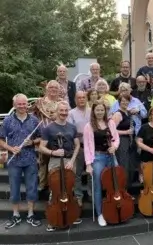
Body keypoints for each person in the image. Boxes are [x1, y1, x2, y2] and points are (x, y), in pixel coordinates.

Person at [39, 101, 82, 232]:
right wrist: (53, 152)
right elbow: (41, 147)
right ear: (56, 111)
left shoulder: (72, 127)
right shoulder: (48, 128)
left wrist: (72, 160)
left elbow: (77, 145)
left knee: (70, 188)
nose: (64, 113)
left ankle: (71, 215)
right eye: (61, 110)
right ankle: (53, 220)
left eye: (65, 110)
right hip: (55, 160)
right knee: (55, 190)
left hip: (70, 160)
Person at [0, 94, 41, 229]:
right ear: (14, 105)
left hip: (30, 159)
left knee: (32, 188)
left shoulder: (34, 120)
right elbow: (1, 140)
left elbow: (40, 138)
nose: (22, 106)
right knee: (14, 188)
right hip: (14, 161)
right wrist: (11, 148)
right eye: (19, 104)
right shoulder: (7, 121)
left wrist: (32, 141)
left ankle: (30, 214)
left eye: (24, 104)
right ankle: (16, 214)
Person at [83, 102, 120, 226]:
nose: (99, 112)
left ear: (105, 111)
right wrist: (88, 164)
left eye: (101, 110)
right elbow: (87, 147)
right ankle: (100, 214)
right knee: (98, 186)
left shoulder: (110, 123)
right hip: (97, 157)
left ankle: (115, 207)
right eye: (97, 110)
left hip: (110, 156)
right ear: (93, 111)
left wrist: (114, 147)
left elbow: (116, 138)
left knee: (116, 182)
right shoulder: (89, 126)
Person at [31, 80, 62, 191]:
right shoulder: (39, 102)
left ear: (59, 90)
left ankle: (53, 184)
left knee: (56, 162)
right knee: (43, 162)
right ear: (47, 89)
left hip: (58, 136)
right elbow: (32, 118)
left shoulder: (62, 103)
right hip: (42, 136)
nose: (53, 89)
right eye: (51, 87)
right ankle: (42, 183)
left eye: (56, 88)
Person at [67, 91, 91, 206]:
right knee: (77, 173)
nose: (81, 99)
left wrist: (82, 133)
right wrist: (85, 133)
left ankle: (91, 194)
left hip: (92, 147)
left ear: (86, 99)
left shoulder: (92, 111)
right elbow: (71, 131)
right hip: (78, 147)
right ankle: (78, 195)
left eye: (83, 97)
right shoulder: (71, 113)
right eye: (79, 98)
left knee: (92, 172)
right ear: (75, 100)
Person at [112, 94, 139, 189]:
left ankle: (127, 190)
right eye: (123, 101)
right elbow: (112, 130)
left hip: (130, 142)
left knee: (130, 167)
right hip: (122, 142)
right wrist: (126, 132)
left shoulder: (128, 113)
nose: (125, 102)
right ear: (119, 102)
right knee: (124, 166)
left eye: (127, 100)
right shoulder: (118, 114)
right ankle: (122, 190)